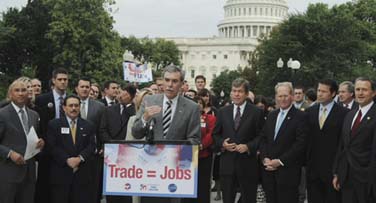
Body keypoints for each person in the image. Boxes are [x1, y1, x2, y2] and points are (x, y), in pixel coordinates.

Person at [132, 65, 201, 203]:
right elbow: (136, 133)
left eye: (175, 81)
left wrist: (175, 153)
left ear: (181, 84)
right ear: (162, 81)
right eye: (167, 80)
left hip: (176, 173)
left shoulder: (192, 107)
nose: (170, 85)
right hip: (151, 171)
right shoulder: (149, 101)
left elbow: (194, 140)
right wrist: (145, 118)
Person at [213, 78, 264, 203]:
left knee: (248, 199)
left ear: (246, 94)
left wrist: (248, 146)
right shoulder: (222, 112)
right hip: (227, 165)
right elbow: (215, 134)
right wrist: (222, 144)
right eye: (234, 91)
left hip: (247, 165)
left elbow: (262, 136)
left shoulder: (257, 112)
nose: (236, 94)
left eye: (240, 91)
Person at [258, 82, 308, 203]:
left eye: (285, 95)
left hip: (288, 173)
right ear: (275, 97)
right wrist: (265, 158)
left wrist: (280, 161)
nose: (283, 99)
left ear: (291, 96)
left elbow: (300, 144)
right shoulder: (271, 115)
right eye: (280, 96)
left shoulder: (301, 116)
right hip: (269, 172)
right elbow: (263, 138)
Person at [0, 78, 44, 203]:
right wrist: (10, 154)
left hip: (29, 173)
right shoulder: (2, 114)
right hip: (9, 172)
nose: (20, 93)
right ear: (10, 94)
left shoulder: (34, 115)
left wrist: (41, 143)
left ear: (28, 93)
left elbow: (33, 138)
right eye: (17, 90)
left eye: (23, 90)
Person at [333, 77, 376, 203]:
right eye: (358, 89)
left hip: (367, 180)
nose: (360, 93)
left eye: (364, 90)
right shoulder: (350, 115)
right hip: (346, 178)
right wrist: (337, 173)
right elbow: (342, 146)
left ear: (373, 93)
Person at [305, 79, 349, 203]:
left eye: (324, 91)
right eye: (318, 90)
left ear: (333, 93)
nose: (319, 94)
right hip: (313, 169)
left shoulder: (344, 113)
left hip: (332, 170)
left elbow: (343, 144)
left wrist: (339, 171)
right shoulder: (309, 112)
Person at [46, 95, 95, 203]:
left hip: (82, 174)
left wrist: (80, 158)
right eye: (71, 105)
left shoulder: (88, 125)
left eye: (76, 105)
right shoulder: (54, 124)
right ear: (64, 108)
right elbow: (51, 146)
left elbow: (91, 145)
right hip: (60, 174)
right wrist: (67, 160)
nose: (74, 108)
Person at [34, 67, 69, 203]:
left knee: (63, 187)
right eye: (60, 79)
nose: (63, 82)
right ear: (53, 81)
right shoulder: (42, 100)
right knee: (44, 187)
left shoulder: (72, 100)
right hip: (46, 150)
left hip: (66, 150)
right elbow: (37, 125)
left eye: (65, 80)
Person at [100, 84, 137, 203]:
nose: (120, 95)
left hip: (129, 155)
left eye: (124, 93)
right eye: (120, 92)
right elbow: (102, 130)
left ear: (131, 96)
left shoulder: (135, 111)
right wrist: (112, 145)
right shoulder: (109, 109)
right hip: (111, 153)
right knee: (112, 189)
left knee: (127, 189)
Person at [75, 78, 105, 203]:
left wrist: (103, 145)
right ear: (77, 88)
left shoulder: (99, 106)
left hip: (93, 154)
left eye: (87, 87)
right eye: (82, 87)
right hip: (73, 152)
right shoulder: (69, 103)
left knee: (91, 189)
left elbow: (102, 129)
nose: (85, 89)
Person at [184, 96, 216, 203]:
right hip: (187, 156)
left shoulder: (210, 118)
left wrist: (201, 145)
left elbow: (211, 134)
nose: (198, 105)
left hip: (203, 155)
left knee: (202, 185)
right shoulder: (185, 118)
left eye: (200, 103)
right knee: (187, 185)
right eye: (195, 103)